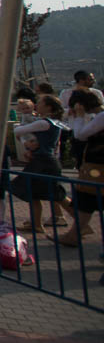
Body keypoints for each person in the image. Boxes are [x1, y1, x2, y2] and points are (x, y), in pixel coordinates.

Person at [10, 95, 69, 237]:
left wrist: (25, 139)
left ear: (49, 107)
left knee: (57, 195)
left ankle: (81, 221)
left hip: (44, 162)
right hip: (41, 160)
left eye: (41, 103)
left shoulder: (44, 123)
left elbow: (18, 130)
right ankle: (36, 224)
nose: (37, 104)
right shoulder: (52, 122)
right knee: (34, 193)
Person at [61, 89, 104, 246]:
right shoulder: (97, 116)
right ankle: (74, 235)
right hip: (96, 168)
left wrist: (79, 117)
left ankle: (74, 235)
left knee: (87, 200)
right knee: (87, 204)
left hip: (97, 168)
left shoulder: (101, 117)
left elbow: (80, 135)